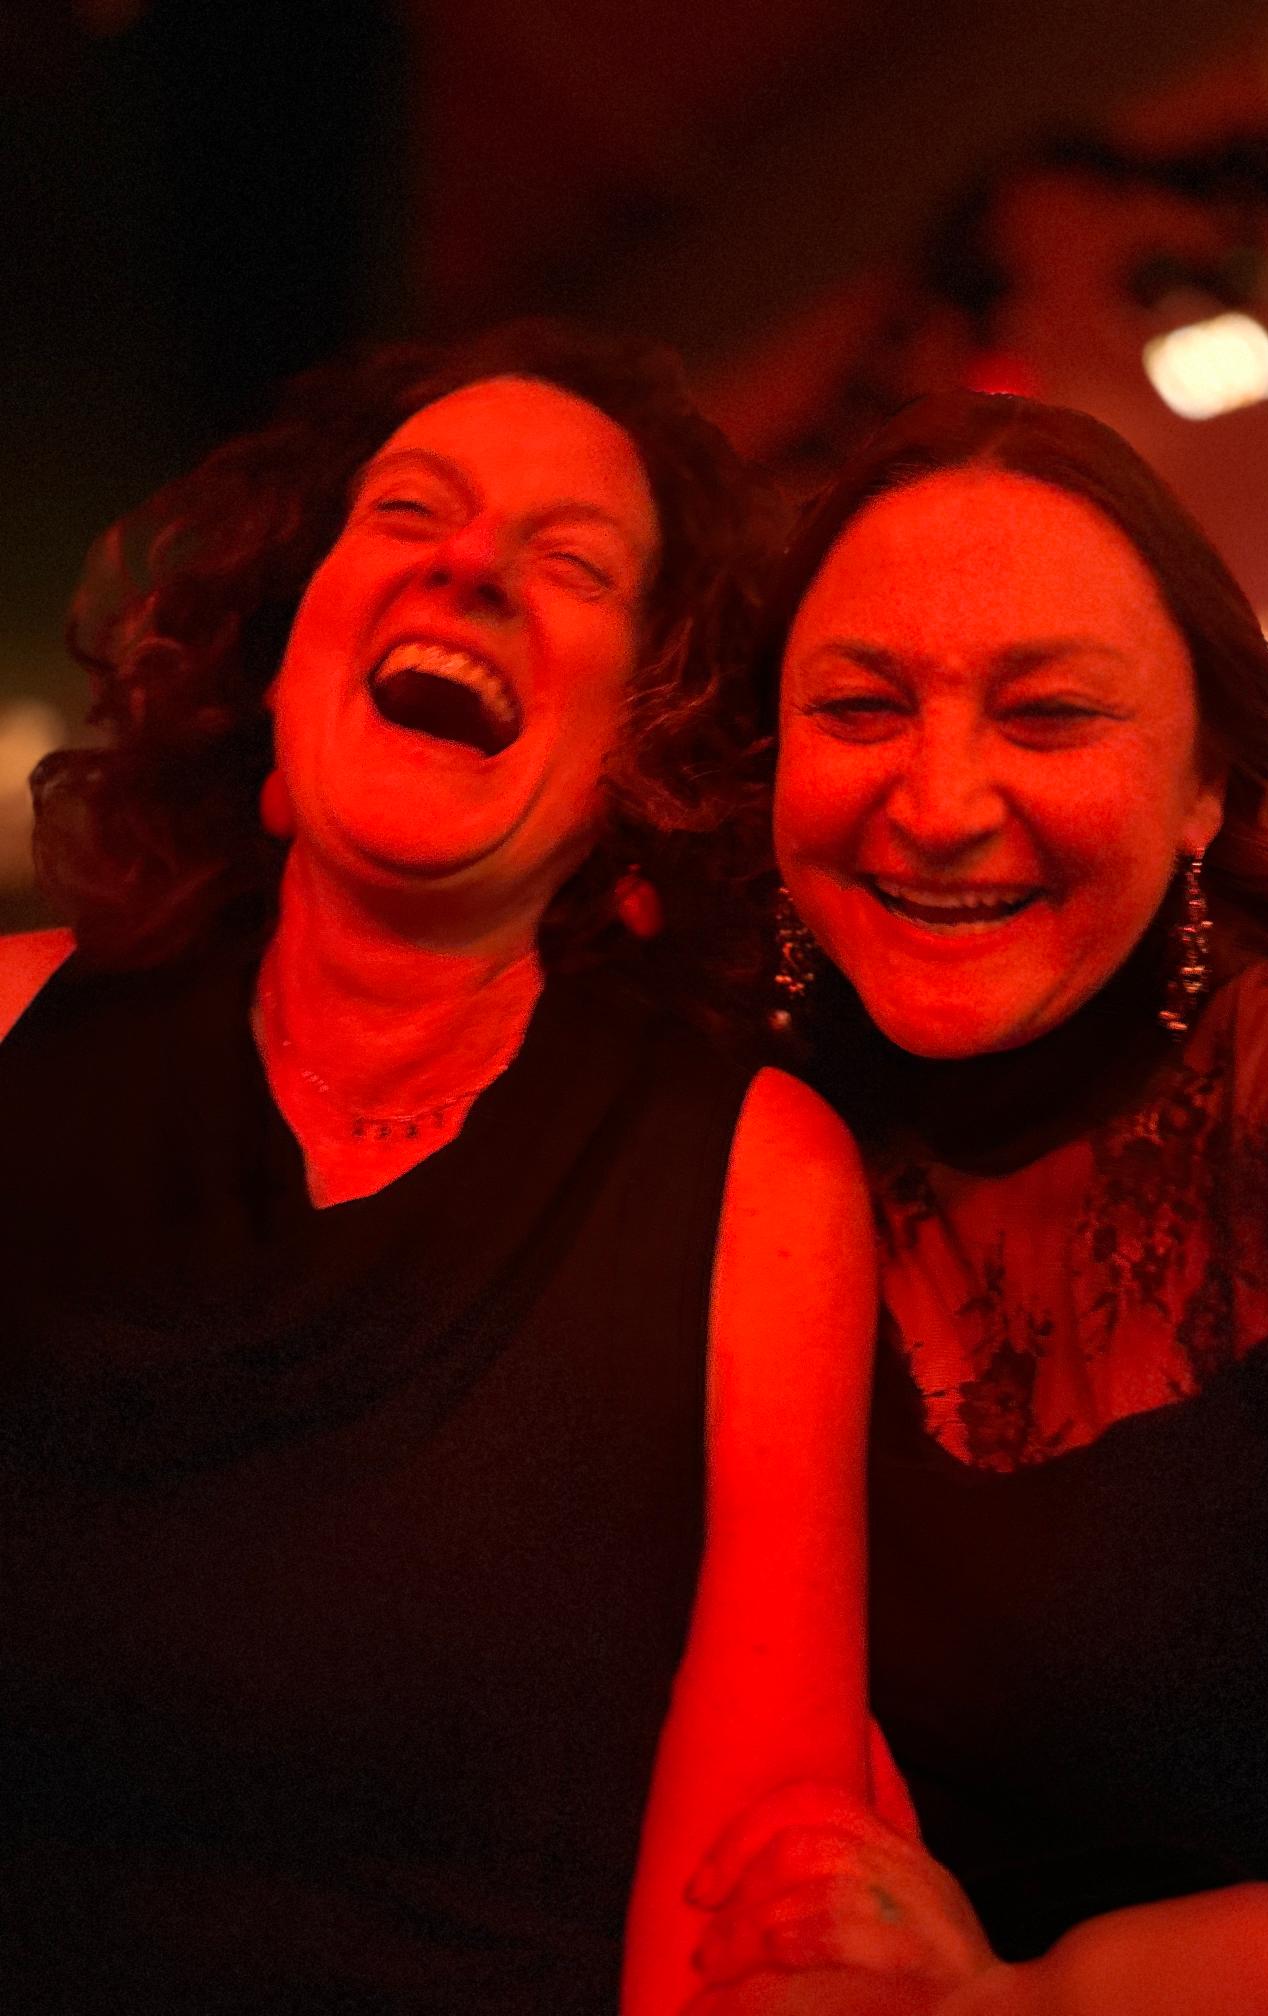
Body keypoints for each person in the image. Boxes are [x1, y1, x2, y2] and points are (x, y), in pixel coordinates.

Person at [0, 321, 878, 2015]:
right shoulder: (9, 1031)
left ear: (646, 744)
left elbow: (747, 1926)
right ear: (278, 657)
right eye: (409, 510)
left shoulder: (752, 1188)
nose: (470, 566)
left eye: (575, 563)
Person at [683, 392, 1268, 2013]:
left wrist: (1142, 1986)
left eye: (1050, 715)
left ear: (1205, 787)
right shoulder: (748, 1137)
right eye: (859, 708)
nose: (939, 802)